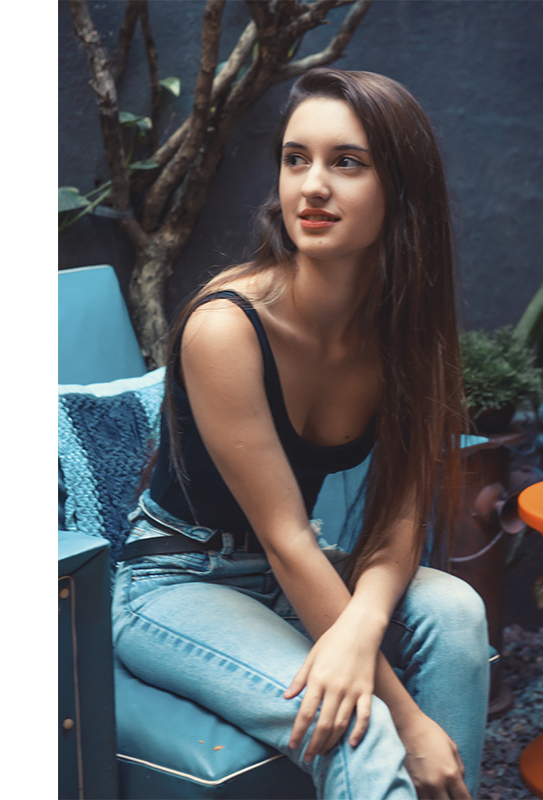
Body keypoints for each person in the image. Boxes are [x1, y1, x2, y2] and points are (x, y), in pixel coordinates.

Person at [112, 68, 488, 800]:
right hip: (178, 584)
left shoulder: (406, 330)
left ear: (401, 188)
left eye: (346, 162)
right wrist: (407, 719)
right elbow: (286, 537)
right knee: (364, 725)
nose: (311, 186)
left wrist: (359, 626)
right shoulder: (227, 327)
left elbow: (402, 518)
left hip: (297, 573)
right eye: (296, 159)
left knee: (457, 612)